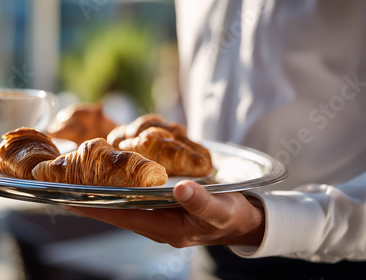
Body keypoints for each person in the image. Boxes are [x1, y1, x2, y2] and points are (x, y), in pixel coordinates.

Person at [67, 1, 366, 279]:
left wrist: (264, 223)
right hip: (206, 257)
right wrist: (134, 147)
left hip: (336, 262)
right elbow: (195, 87)